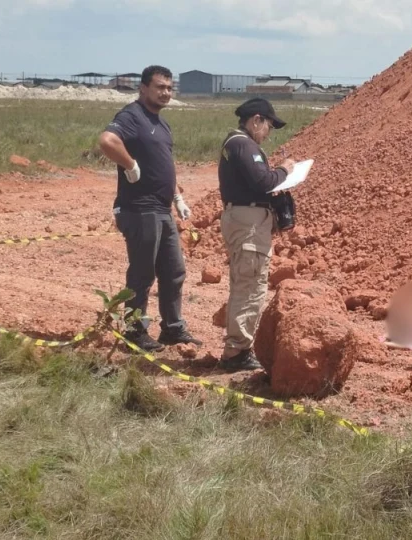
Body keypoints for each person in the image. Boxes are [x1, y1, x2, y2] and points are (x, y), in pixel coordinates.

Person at [98, 65, 201, 352]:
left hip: (161, 209)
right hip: (139, 209)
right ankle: (134, 331)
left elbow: (164, 164)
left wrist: (177, 197)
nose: (166, 92)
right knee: (142, 273)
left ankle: (172, 327)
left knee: (174, 270)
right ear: (143, 89)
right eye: (159, 87)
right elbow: (107, 140)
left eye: (169, 88)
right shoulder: (131, 116)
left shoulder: (162, 123)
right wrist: (129, 165)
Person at [216, 97, 297, 372]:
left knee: (247, 282)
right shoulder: (242, 144)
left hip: (247, 220)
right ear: (256, 120)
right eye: (268, 127)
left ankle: (237, 347)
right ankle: (236, 352)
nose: (268, 134)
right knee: (250, 285)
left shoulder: (239, 144)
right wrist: (284, 170)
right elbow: (262, 181)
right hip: (247, 223)